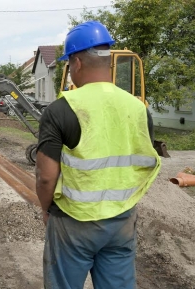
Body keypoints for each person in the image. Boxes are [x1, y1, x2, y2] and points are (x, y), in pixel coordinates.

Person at [35, 20, 161, 289]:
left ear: (76, 63)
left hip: (73, 220)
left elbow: (46, 177)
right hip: (122, 219)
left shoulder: (61, 109)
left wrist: (46, 210)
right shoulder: (138, 109)